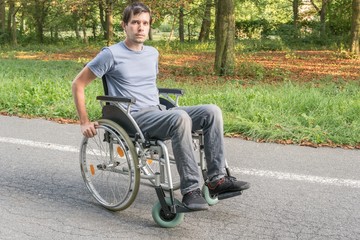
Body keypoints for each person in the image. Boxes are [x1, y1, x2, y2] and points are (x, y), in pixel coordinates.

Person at [72, 2, 250, 211]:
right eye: (135, 22)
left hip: (157, 112)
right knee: (180, 118)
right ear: (124, 25)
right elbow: (78, 84)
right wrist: (84, 121)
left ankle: (216, 180)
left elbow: (148, 87)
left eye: (145, 23)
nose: (140, 27)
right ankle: (191, 190)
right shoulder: (111, 54)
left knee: (212, 111)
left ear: (149, 26)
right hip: (133, 117)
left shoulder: (152, 53)